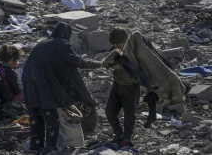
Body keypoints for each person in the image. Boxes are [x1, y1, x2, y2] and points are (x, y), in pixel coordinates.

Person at [22, 22, 102, 154]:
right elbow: (78, 62)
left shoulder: (43, 43)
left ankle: (36, 148)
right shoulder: (62, 44)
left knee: (35, 115)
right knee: (51, 115)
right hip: (42, 82)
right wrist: (100, 64)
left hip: (28, 80)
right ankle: (50, 148)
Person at [102, 26, 138, 148]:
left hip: (131, 87)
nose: (116, 47)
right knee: (110, 112)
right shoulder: (116, 48)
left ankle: (127, 139)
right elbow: (107, 60)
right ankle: (119, 135)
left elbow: (140, 69)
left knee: (129, 114)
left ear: (125, 42)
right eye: (114, 45)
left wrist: (122, 67)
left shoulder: (135, 50)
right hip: (117, 84)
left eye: (119, 45)